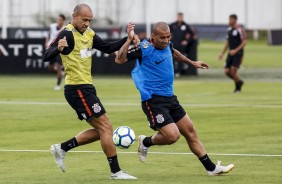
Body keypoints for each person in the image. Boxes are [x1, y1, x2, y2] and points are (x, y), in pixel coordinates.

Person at [115, 22, 234, 176]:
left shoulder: (168, 45)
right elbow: (119, 59)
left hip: (170, 98)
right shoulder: (144, 48)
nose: (165, 40)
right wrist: (129, 40)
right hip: (153, 101)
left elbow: (174, 51)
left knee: (191, 131)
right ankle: (146, 142)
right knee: (173, 136)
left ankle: (211, 169)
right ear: (153, 37)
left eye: (168, 37)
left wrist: (192, 63)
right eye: (162, 37)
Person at [43, 4, 138, 179]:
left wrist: (128, 38)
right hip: (76, 88)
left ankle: (61, 148)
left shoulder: (89, 34)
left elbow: (109, 48)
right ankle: (116, 172)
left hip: (86, 87)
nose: (87, 23)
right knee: (106, 127)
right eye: (84, 19)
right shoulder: (66, 33)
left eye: (90, 20)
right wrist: (58, 48)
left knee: (102, 130)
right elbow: (46, 55)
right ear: (75, 16)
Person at [218, 14, 247, 93]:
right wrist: (222, 53)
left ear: (235, 20)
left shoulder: (240, 29)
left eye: (230, 20)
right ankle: (239, 82)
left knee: (234, 71)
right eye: (229, 19)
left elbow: (244, 42)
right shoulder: (229, 30)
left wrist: (236, 50)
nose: (229, 21)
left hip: (238, 53)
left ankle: (238, 87)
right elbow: (227, 42)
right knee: (227, 71)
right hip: (230, 54)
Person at [169, 12, 198, 77]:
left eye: (181, 17)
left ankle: (179, 72)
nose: (180, 18)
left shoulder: (186, 26)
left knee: (180, 58)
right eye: (179, 17)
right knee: (172, 58)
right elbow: (166, 32)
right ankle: (173, 72)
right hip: (173, 45)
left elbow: (193, 35)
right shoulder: (172, 25)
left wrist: (186, 41)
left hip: (181, 46)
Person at [45, 14, 66, 90]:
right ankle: (61, 74)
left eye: (60, 19)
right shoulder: (52, 26)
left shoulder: (65, 29)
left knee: (59, 67)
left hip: (59, 50)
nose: (58, 21)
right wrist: (46, 43)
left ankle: (58, 85)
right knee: (50, 68)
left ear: (63, 21)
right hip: (51, 49)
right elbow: (48, 35)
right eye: (57, 19)